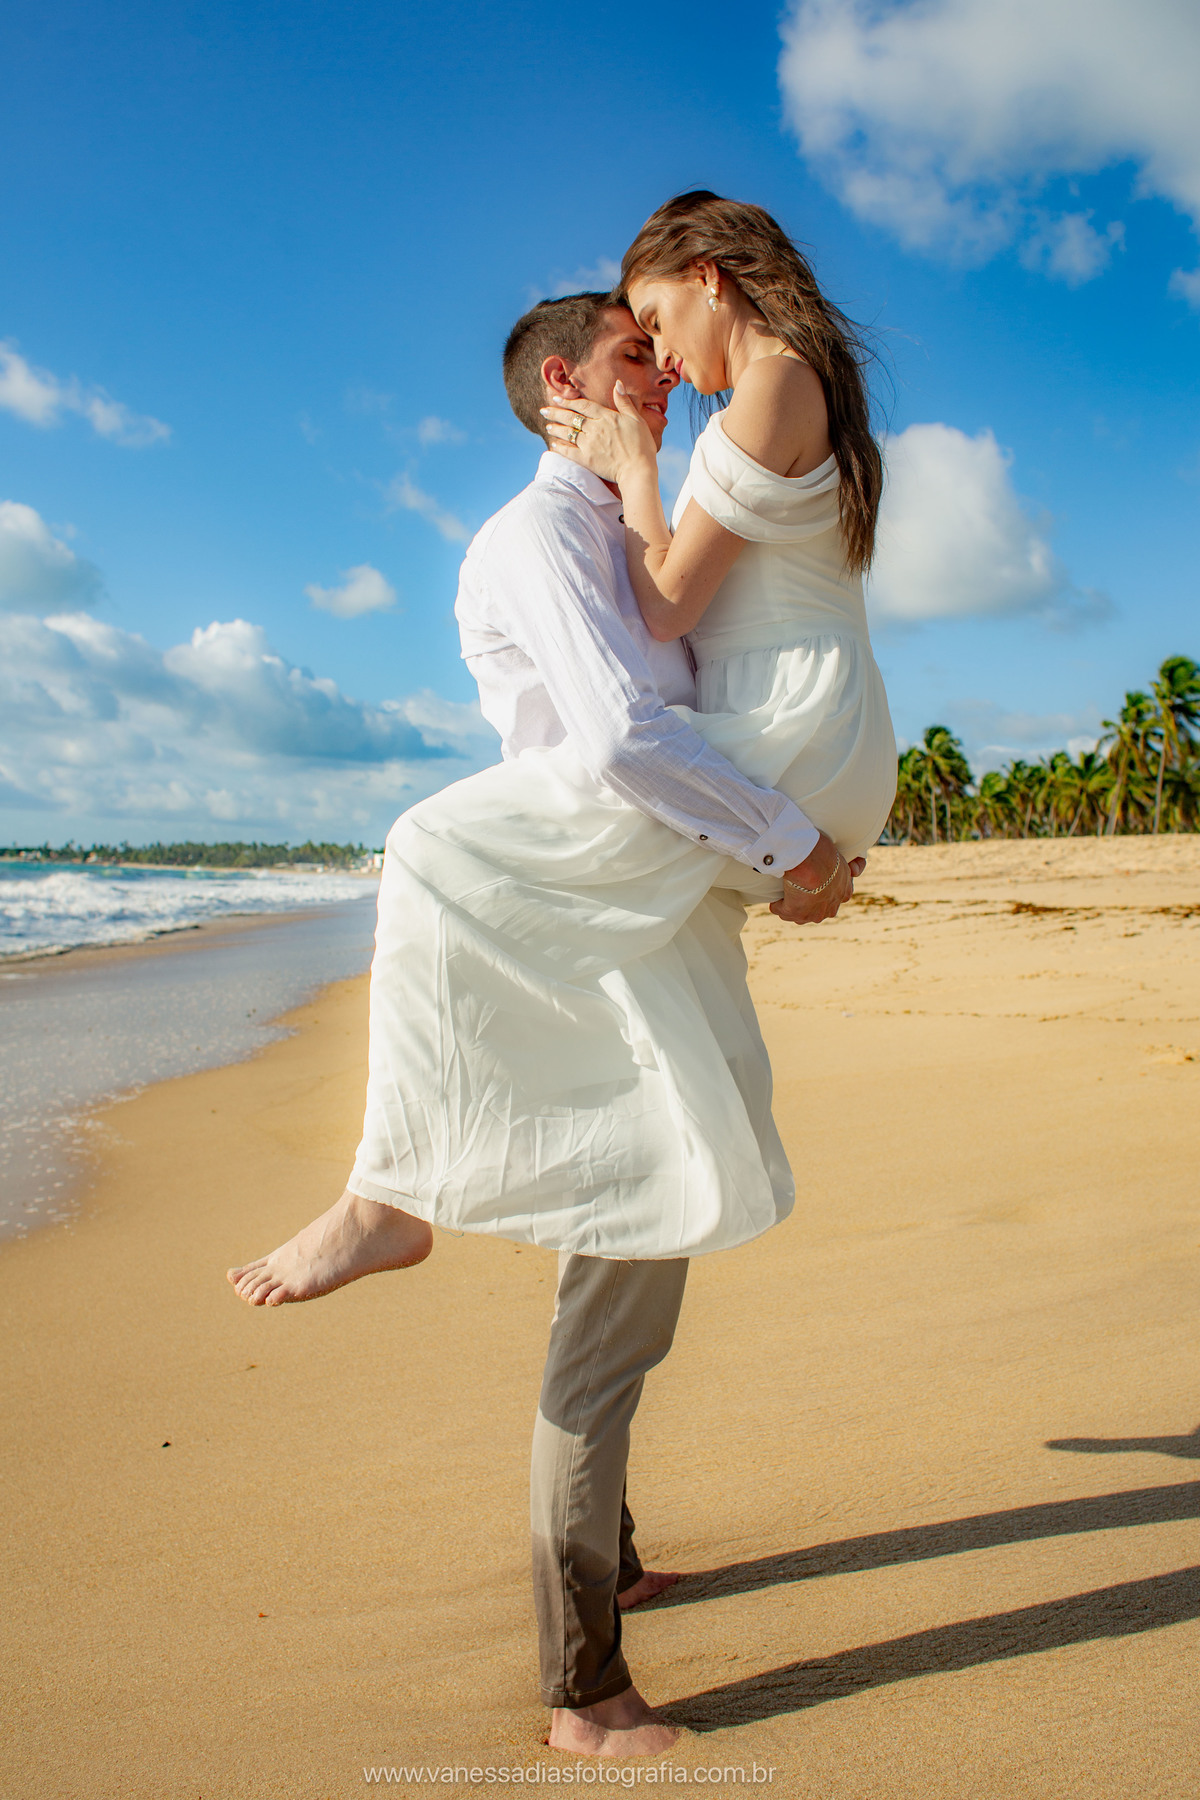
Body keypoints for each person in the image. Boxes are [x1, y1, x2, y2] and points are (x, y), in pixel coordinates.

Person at [230, 190, 896, 1757]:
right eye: (630, 348)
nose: (659, 368)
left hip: (646, 907)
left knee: (637, 1260)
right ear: (564, 386)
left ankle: (611, 1554)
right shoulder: (545, 531)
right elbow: (612, 739)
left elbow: (686, 661)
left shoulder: (661, 486)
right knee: (436, 860)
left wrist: (782, 843)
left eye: (658, 332)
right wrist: (791, 842)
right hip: (604, 909)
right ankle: (584, 1687)